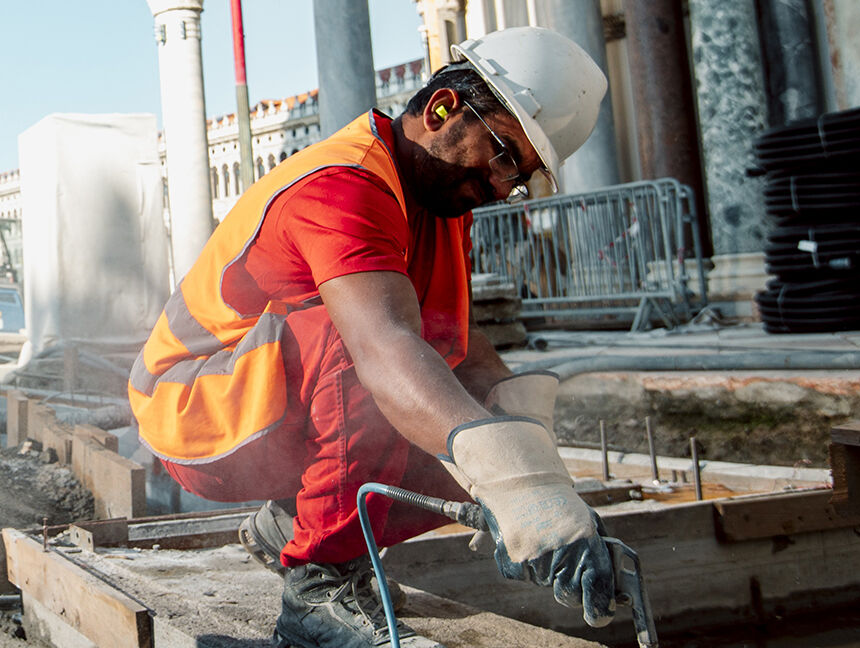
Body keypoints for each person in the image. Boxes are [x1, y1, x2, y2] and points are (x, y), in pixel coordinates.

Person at [127, 28, 613, 648]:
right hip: (190, 411)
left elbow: (455, 349)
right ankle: (318, 588)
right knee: (360, 342)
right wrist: (513, 483)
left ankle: (287, 530)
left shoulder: (438, 205)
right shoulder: (343, 182)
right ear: (443, 110)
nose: (499, 188)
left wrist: (541, 482)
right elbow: (384, 348)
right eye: (504, 157)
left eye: (519, 178)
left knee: (475, 430)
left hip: (264, 415)